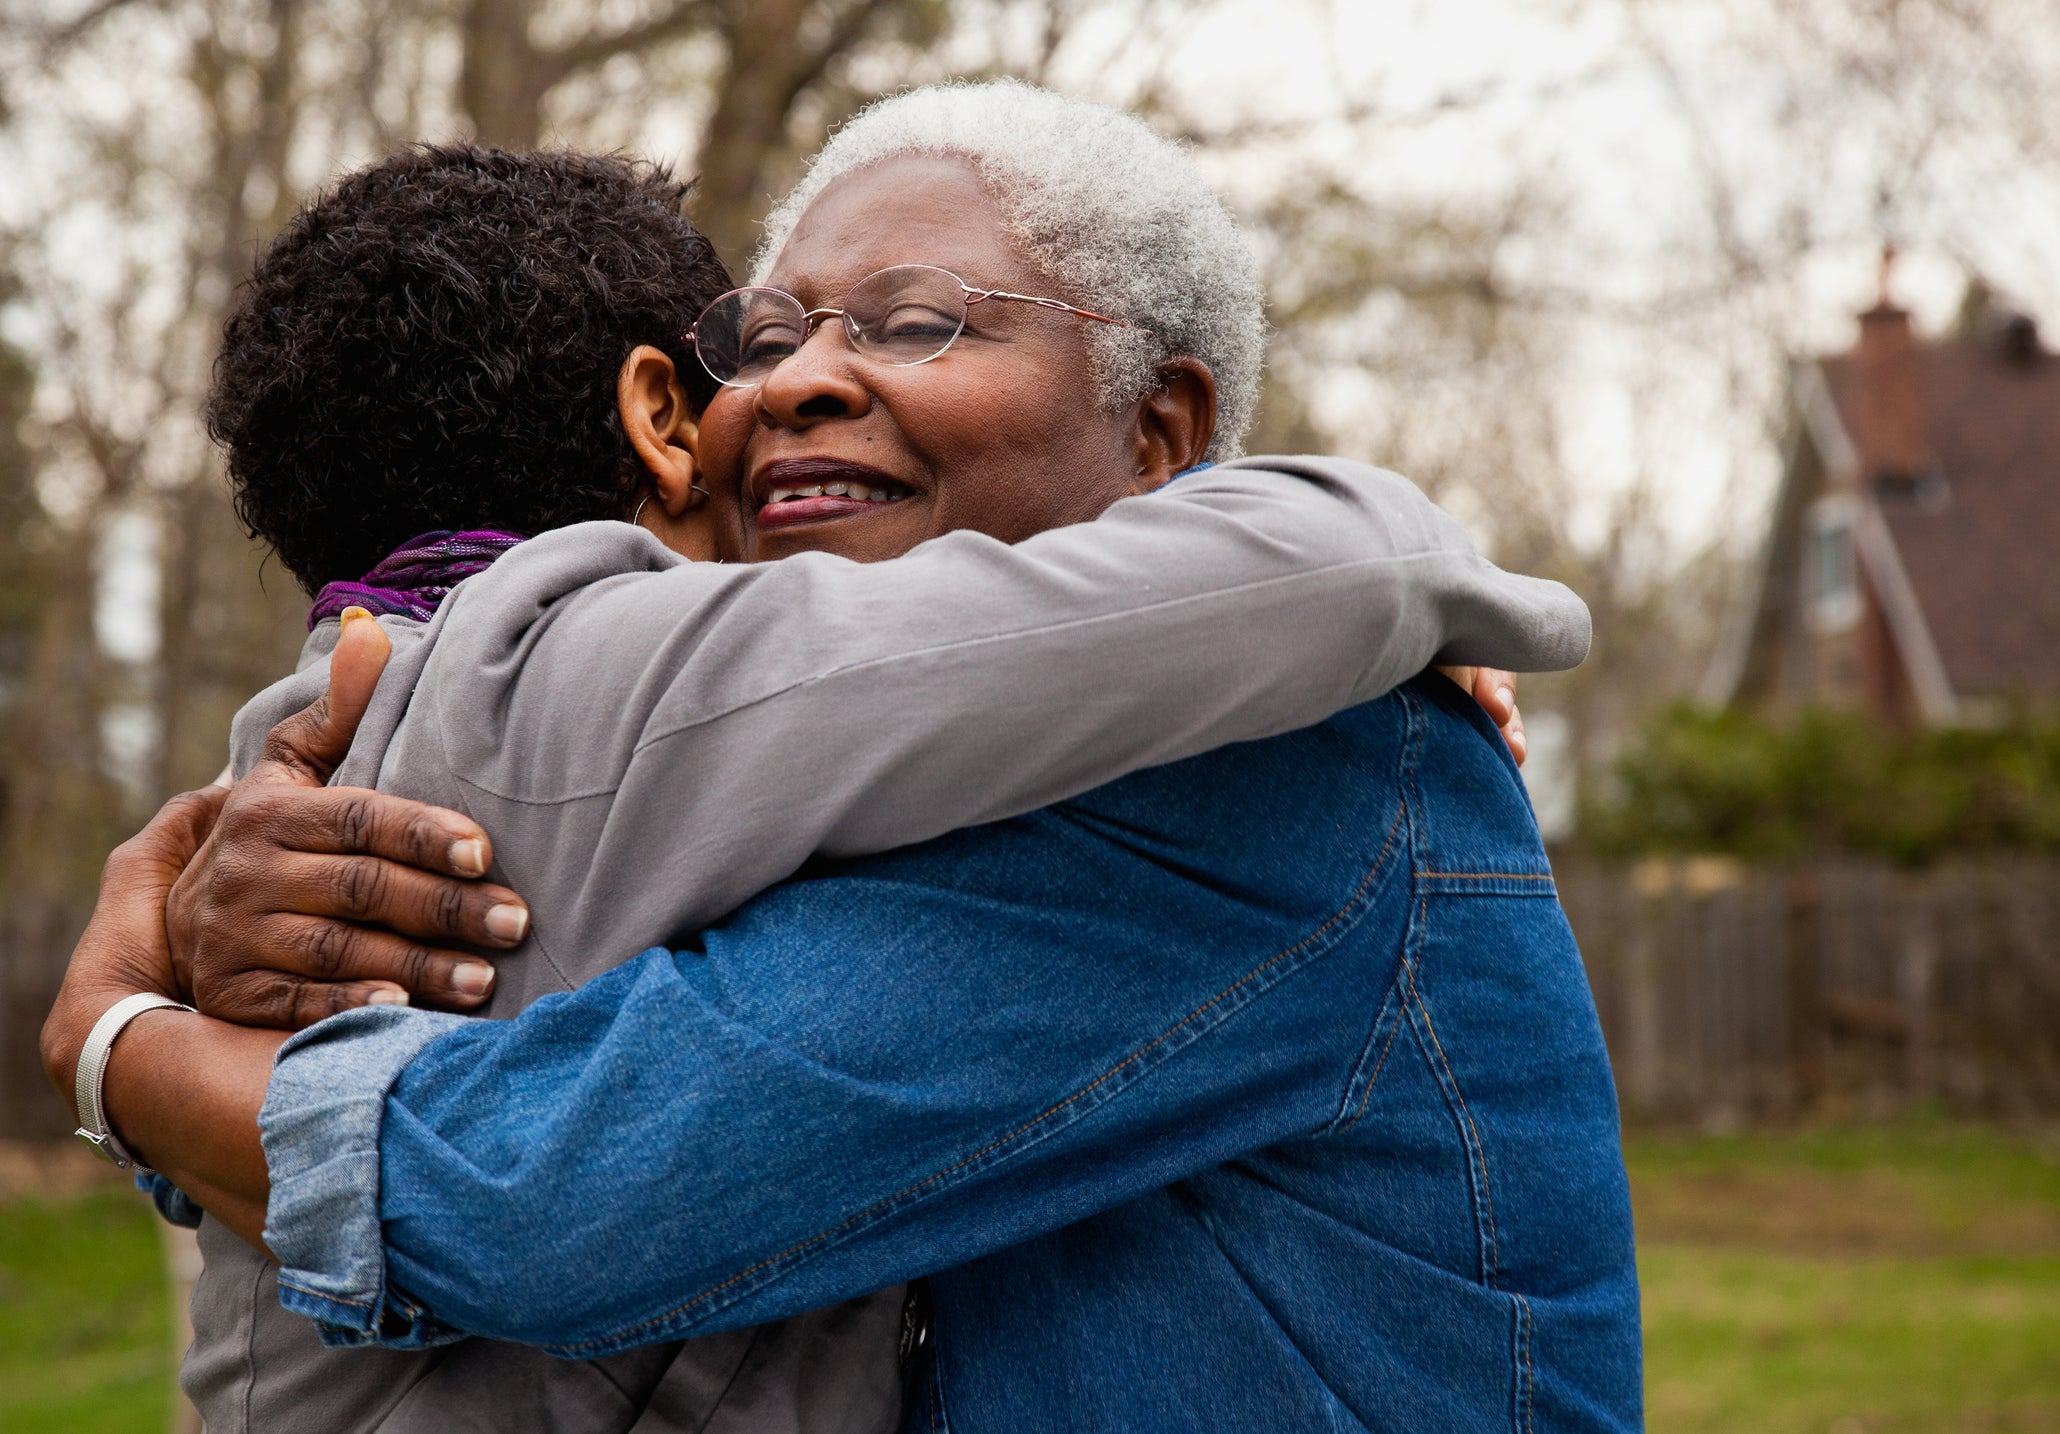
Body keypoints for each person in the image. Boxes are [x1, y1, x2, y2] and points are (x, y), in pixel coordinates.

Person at [47, 81, 1638, 1432]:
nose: (801, 374)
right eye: (771, 330)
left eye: (919, 321)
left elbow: (551, 1194)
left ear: (1160, 436)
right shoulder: (835, 779)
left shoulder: (1289, 763)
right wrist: (215, 903)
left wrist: (126, 1046)